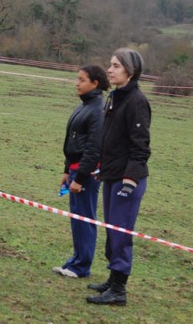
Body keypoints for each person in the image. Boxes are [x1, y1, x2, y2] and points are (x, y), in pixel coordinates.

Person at [86, 48, 151, 306]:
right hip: (111, 175)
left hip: (127, 180)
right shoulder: (114, 97)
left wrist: (130, 180)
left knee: (121, 233)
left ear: (130, 71)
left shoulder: (136, 101)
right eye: (110, 65)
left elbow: (140, 146)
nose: (109, 70)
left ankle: (119, 291)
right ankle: (113, 280)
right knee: (112, 231)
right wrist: (102, 167)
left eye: (115, 66)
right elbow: (111, 139)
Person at [53, 65, 110, 278]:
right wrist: (67, 170)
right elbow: (74, 141)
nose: (77, 83)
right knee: (77, 218)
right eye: (77, 79)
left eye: (82, 79)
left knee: (85, 218)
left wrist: (81, 178)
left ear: (95, 83)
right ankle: (75, 261)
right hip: (75, 171)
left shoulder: (98, 110)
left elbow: (94, 149)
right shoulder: (84, 105)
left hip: (86, 175)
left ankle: (82, 266)